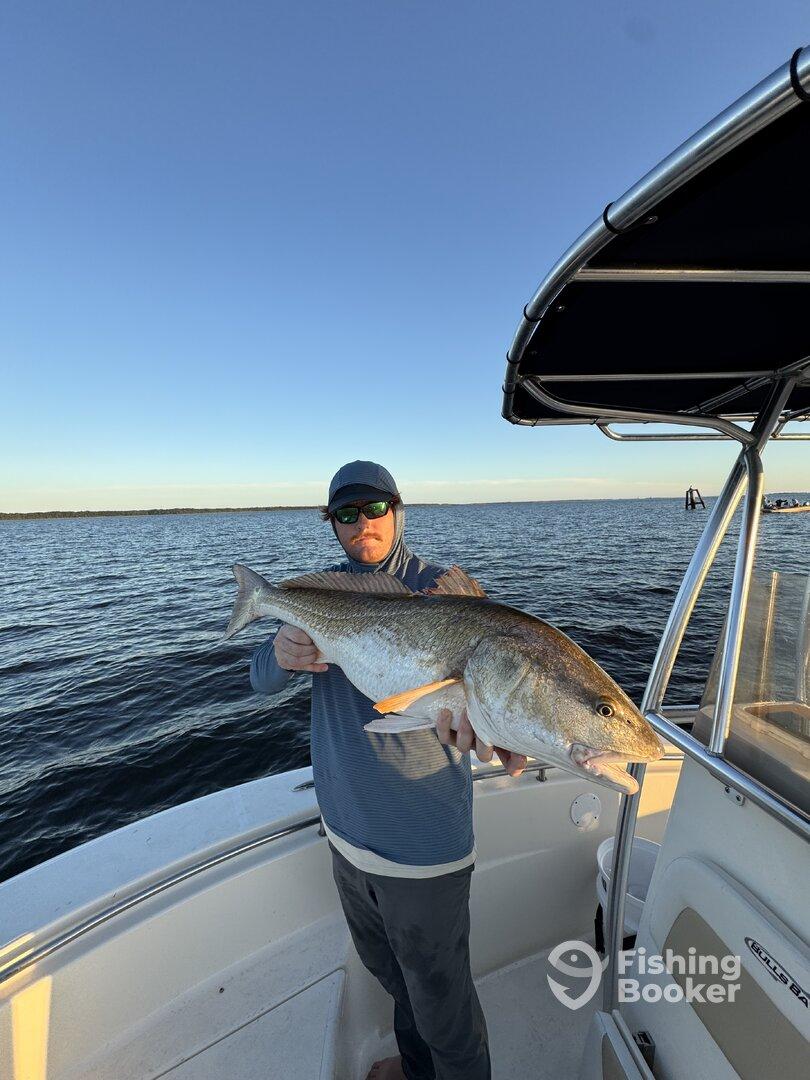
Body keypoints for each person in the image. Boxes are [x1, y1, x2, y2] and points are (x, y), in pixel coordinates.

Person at [249, 460, 526, 1080]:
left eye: (375, 508)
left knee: (445, 1008)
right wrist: (281, 651)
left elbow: (500, 704)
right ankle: (416, 1068)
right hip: (345, 833)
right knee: (392, 976)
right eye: (346, 514)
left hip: (421, 847)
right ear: (332, 524)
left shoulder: (446, 595)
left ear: (398, 511)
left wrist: (500, 734)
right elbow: (260, 680)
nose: (362, 523)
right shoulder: (319, 599)